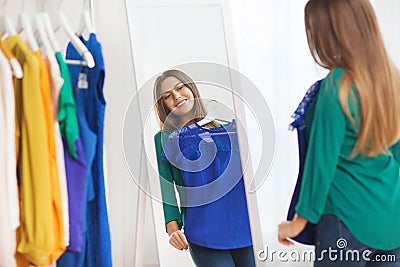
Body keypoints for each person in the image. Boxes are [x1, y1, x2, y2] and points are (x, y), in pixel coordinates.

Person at [278, 0, 400, 266]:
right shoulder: (392, 80)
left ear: (329, 34)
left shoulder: (338, 84)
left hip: (347, 218)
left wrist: (300, 220)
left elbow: (321, 161)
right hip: (391, 219)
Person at [153, 69, 255, 267]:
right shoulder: (164, 139)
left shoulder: (228, 128)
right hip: (204, 229)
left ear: (191, 87)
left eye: (180, 88)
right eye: (167, 96)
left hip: (243, 224)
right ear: (164, 104)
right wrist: (172, 228)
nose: (176, 96)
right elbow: (166, 186)